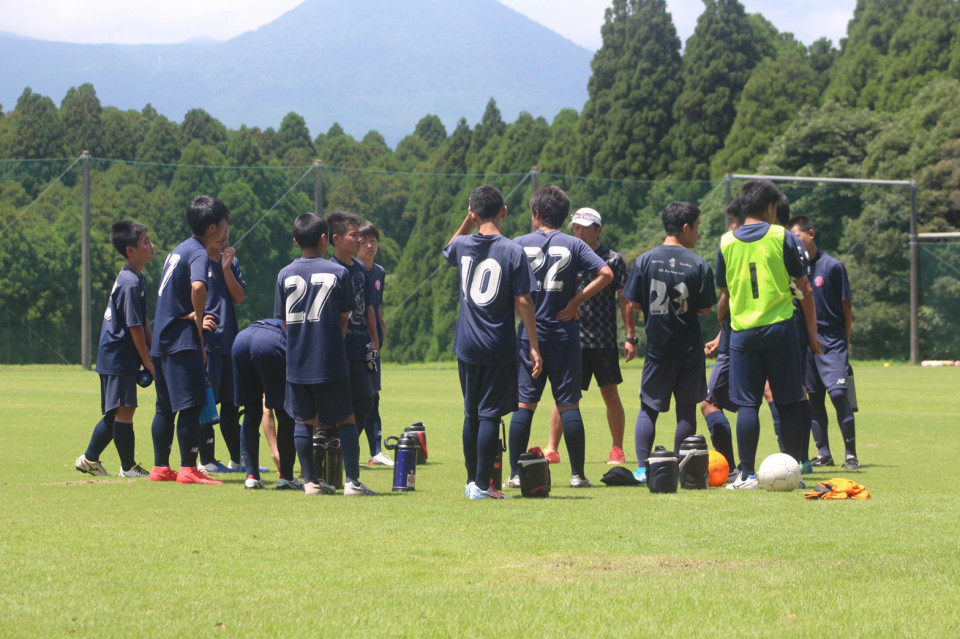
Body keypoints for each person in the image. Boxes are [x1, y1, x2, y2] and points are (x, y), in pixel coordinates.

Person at [716, 180, 820, 490]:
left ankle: (746, 475)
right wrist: (812, 335)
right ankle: (792, 473)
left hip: (743, 333)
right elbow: (805, 289)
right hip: (781, 330)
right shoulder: (782, 236)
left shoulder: (726, 242)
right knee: (788, 401)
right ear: (771, 207)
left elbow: (725, 293)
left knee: (747, 404)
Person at [508, 187, 613, 489]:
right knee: (569, 405)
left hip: (530, 337)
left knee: (524, 404)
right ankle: (578, 476)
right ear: (564, 216)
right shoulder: (574, 244)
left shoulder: (518, 245)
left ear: (536, 214)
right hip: (564, 335)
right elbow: (606, 274)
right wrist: (576, 302)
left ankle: (516, 475)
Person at [444, 184, 542, 499]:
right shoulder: (513, 250)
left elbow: (450, 246)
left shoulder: (462, 247)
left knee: (471, 413)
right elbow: (524, 301)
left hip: (466, 343)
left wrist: (467, 221)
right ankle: (483, 486)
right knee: (490, 414)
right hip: (497, 343)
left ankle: (472, 480)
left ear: (473, 213)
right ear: (504, 211)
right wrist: (533, 343)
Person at [276, 213, 375, 496]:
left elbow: (283, 322)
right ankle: (352, 482)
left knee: (303, 421)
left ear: (296, 240)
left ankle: (310, 482)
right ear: (324, 238)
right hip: (330, 358)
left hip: (297, 360)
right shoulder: (339, 273)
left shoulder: (284, 274)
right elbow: (345, 317)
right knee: (346, 418)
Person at [623, 201, 716, 484]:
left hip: (658, 349)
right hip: (689, 349)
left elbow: (632, 302)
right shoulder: (698, 263)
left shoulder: (646, 260)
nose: (698, 234)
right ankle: (681, 468)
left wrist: (631, 336)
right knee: (686, 410)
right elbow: (703, 310)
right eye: (697, 227)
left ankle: (642, 468)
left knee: (648, 408)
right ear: (686, 227)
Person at [543, 207, 635, 467]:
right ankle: (552, 448)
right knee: (565, 395)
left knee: (610, 393)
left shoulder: (613, 259)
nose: (578, 231)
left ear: (599, 230)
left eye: (584, 227)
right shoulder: (568, 256)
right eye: (575, 227)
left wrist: (630, 337)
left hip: (603, 340)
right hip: (572, 338)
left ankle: (617, 449)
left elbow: (624, 299)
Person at [149, 195, 229, 485]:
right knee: (192, 405)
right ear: (212, 227)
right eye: (223, 223)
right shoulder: (198, 253)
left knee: (165, 407)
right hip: (182, 343)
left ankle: (160, 467)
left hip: (161, 340)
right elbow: (198, 287)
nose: (225, 228)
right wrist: (197, 320)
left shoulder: (178, 250)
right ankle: (188, 468)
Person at [75, 221, 155, 478]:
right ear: (130, 250)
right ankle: (127, 467)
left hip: (119, 354)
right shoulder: (130, 282)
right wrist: (147, 360)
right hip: (118, 354)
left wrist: (153, 351)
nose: (151, 245)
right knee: (123, 409)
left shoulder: (136, 277)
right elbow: (134, 327)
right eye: (145, 242)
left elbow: (143, 320)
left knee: (120, 410)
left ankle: (90, 460)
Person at [789, 215, 859, 470]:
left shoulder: (833, 266)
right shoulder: (794, 269)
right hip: (806, 341)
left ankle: (850, 454)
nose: (794, 242)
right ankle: (824, 453)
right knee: (814, 398)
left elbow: (846, 305)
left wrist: (845, 339)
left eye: (796, 236)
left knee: (839, 394)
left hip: (831, 340)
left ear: (810, 234)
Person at [327, 211, 381, 481]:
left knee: (366, 401)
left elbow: (369, 305)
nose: (360, 239)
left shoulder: (360, 269)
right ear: (336, 240)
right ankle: (328, 454)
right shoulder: (329, 270)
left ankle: (339, 443)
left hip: (360, 348)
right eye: (354, 235)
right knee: (333, 409)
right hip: (337, 351)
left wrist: (375, 338)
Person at [198, 227, 246, 474]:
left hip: (230, 343)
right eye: (219, 229)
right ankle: (206, 461)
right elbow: (185, 296)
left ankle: (238, 460)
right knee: (207, 404)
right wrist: (197, 320)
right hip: (208, 344)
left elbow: (239, 296)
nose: (224, 235)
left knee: (231, 404)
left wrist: (227, 268)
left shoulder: (231, 261)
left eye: (228, 229)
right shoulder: (196, 259)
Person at [232, 318, 301, 490]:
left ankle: (251, 476)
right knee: (285, 413)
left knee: (250, 410)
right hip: (271, 341)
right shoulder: (301, 332)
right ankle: (286, 477)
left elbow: (265, 410)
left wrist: (274, 449)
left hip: (241, 339)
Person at [700, 200, 741, 482]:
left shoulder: (732, 244)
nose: (729, 228)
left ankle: (731, 467)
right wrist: (719, 336)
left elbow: (727, 297)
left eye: (731, 222)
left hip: (737, 340)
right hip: (766, 333)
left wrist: (720, 319)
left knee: (708, 402)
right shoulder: (776, 242)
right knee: (771, 395)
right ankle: (796, 460)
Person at [357, 221, 393, 467]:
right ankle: (336, 443)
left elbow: (375, 306)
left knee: (373, 394)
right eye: (364, 241)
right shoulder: (350, 270)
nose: (370, 246)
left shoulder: (379, 273)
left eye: (374, 241)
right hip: (353, 340)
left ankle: (376, 451)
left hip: (373, 343)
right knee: (352, 396)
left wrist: (380, 326)